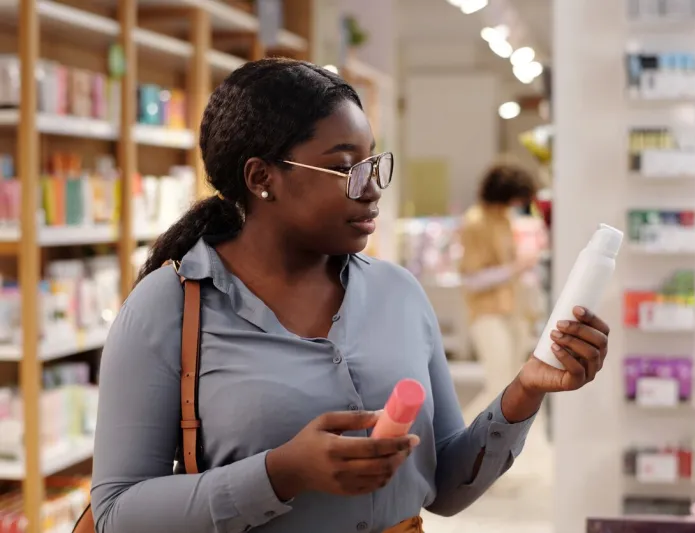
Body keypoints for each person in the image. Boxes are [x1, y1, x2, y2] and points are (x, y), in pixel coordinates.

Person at [91, 58, 610, 533]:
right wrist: (280, 473)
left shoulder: (398, 292)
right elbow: (117, 513)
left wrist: (527, 389)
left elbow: (447, 489)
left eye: (372, 163)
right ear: (261, 177)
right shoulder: (170, 306)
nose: (371, 187)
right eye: (344, 168)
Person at [458, 163, 542, 425]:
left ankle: (490, 449)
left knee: (511, 385)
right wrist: (515, 268)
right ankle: (461, 442)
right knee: (498, 385)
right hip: (486, 312)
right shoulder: (474, 223)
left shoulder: (505, 218)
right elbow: (471, 279)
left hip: (513, 310)